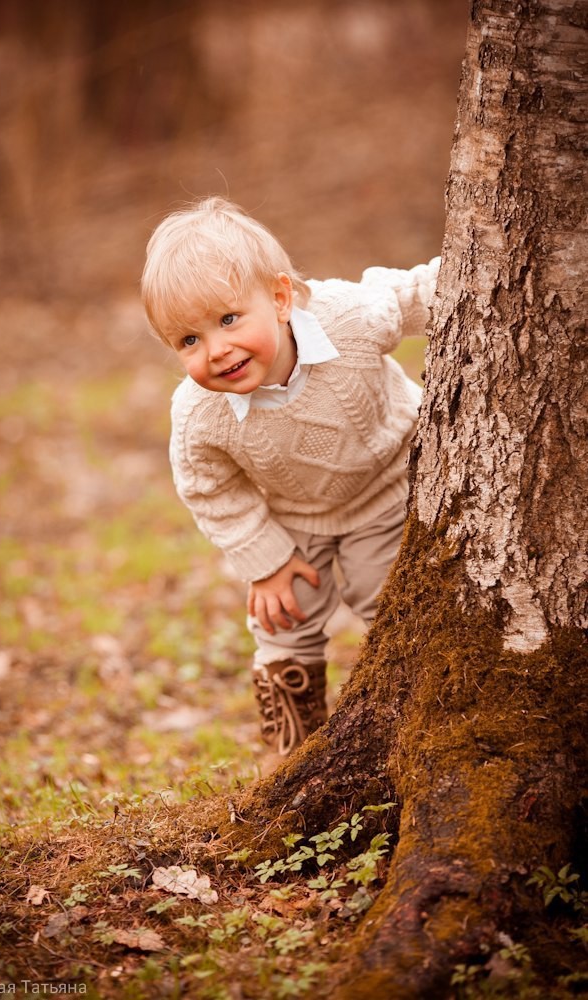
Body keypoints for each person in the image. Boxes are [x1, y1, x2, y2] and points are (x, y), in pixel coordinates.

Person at [141, 196, 439, 755]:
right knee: (283, 619)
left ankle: (421, 717)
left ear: (280, 298)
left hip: (390, 482)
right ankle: (295, 747)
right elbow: (210, 488)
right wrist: (267, 560)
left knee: (391, 597)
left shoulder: (345, 319)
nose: (217, 349)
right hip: (296, 515)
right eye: (189, 340)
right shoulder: (198, 414)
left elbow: (416, 294)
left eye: (229, 319)